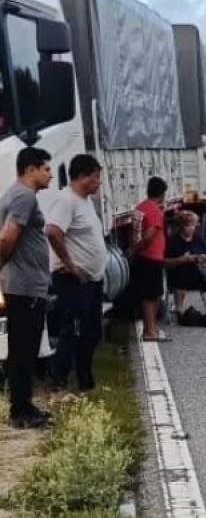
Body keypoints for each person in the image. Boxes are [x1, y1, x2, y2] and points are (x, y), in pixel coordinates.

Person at [0, 147, 53, 428]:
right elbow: (8, 238)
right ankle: (20, 410)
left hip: (24, 284)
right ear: (31, 169)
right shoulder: (24, 197)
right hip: (25, 285)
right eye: (46, 169)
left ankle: (24, 404)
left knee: (23, 347)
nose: (51, 175)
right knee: (24, 348)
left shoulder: (16, 193)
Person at [45, 155, 107, 391]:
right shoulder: (66, 200)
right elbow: (52, 231)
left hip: (91, 279)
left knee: (91, 332)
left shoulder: (85, 201)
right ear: (83, 176)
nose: (98, 183)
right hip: (72, 279)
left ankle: (85, 379)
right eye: (96, 177)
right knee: (72, 330)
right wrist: (70, 265)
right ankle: (58, 378)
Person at [132, 177, 170, 342]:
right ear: (162, 194)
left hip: (143, 258)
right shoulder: (154, 211)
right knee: (151, 296)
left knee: (148, 294)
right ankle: (150, 331)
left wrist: (134, 250)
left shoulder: (140, 207)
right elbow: (149, 236)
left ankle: (151, 328)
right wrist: (137, 249)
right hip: (151, 257)